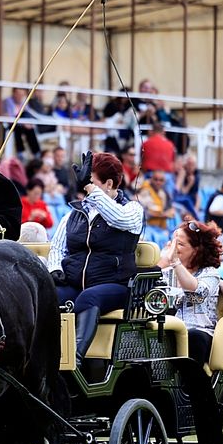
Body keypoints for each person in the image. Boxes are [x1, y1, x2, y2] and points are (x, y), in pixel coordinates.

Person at [47, 152, 144, 364]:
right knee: (48, 296)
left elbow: (118, 218)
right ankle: (39, 354)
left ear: (109, 183)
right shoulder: (74, 213)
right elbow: (57, 248)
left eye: (89, 182)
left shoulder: (133, 210)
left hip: (115, 285)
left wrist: (91, 191)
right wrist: (56, 269)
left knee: (89, 297)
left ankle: (74, 358)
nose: (84, 188)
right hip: (76, 283)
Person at [159, 221, 223, 368]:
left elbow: (196, 294)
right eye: (173, 241)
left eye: (180, 244)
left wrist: (175, 262)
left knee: (193, 336)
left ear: (196, 250)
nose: (173, 247)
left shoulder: (210, 274)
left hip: (200, 334)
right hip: (170, 331)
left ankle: (193, 389)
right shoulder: (166, 273)